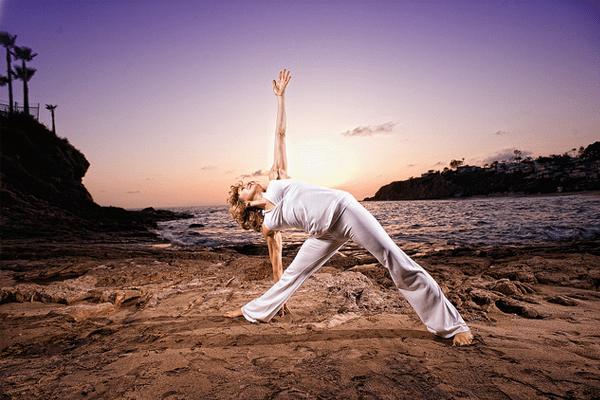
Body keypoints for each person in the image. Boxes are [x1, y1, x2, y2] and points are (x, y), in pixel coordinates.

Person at [224, 69, 473, 346]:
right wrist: (277, 296)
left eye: (245, 181)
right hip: (323, 234)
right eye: (242, 187)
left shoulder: (277, 178)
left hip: (344, 212)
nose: (248, 181)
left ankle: (452, 325)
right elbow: (278, 267)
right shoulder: (269, 225)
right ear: (244, 204)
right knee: (293, 275)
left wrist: (280, 98)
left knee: (392, 256)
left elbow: (280, 133)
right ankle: (251, 312)